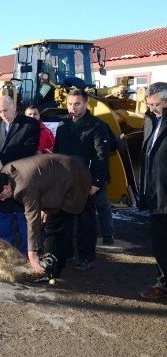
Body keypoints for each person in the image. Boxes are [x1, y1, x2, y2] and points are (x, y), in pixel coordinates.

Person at [0, 154, 92, 275]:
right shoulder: (4, 172)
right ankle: (60, 261)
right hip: (60, 176)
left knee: (54, 228)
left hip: (74, 181)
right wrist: (44, 208)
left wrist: (32, 254)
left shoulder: (23, 187)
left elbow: (32, 220)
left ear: (6, 187)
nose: (2, 200)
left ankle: (49, 272)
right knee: (58, 227)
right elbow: (42, 182)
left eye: (2, 196)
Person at [54, 89, 110, 271]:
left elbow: (102, 157)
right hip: (65, 180)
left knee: (86, 220)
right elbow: (56, 153)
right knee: (65, 217)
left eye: (77, 104)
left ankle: (87, 257)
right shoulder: (62, 126)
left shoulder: (97, 126)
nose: (73, 108)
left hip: (86, 181)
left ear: (86, 104)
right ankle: (68, 252)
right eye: (69, 104)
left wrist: (96, 183)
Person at [0, 95, 40, 254]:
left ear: (14, 106)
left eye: (5, 110)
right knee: (3, 222)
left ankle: (26, 256)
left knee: (24, 222)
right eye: (0, 111)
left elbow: (28, 152)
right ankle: (6, 255)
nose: (3, 114)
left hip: (21, 181)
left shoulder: (30, 125)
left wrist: (5, 164)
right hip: (0, 184)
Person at [138, 82, 167, 300]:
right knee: (159, 243)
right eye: (148, 105)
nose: (151, 109)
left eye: (155, 104)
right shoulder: (151, 121)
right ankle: (163, 284)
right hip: (156, 194)